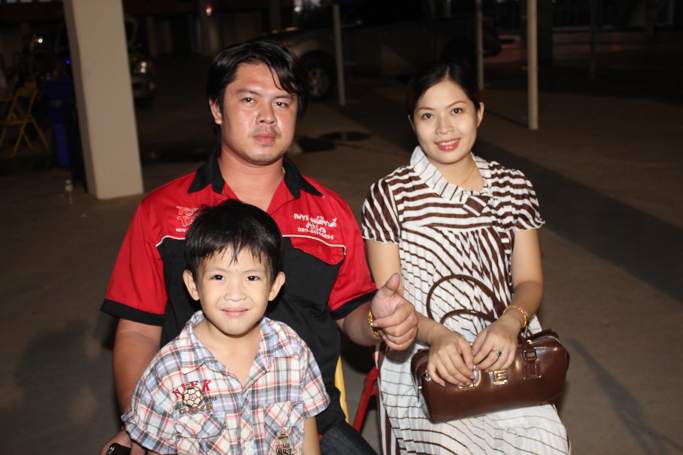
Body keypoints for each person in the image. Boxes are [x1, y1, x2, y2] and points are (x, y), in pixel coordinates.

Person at [100, 40, 417, 455]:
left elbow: (351, 314)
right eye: (249, 99)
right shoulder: (161, 213)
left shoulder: (329, 213)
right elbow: (138, 331)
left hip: (306, 423)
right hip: (198, 431)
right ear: (217, 108)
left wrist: (379, 320)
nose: (268, 116)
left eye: (282, 102)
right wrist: (142, 429)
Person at [361, 61, 570, 454]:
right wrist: (438, 335)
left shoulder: (513, 186)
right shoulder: (390, 195)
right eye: (428, 115)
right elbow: (392, 303)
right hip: (421, 349)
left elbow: (529, 281)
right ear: (412, 123)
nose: (444, 128)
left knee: (548, 441)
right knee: (453, 445)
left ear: (479, 112)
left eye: (456, 110)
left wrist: (510, 323)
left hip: (502, 344)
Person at [122, 200, 328, 454]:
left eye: (252, 277)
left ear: (274, 286)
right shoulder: (168, 372)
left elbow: (307, 434)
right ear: (193, 285)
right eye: (218, 277)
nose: (235, 294)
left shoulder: (293, 351)